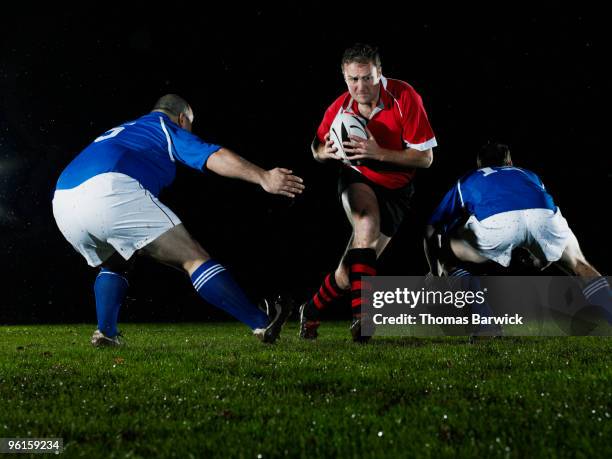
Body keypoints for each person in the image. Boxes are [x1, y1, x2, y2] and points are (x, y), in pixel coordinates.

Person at [52, 94, 305, 346]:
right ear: (183, 118)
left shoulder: (126, 129)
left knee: (115, 263)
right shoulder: (164, 126)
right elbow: (212, 155)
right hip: (107, 189)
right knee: (193, 257)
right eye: (190, 124)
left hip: (63, 202)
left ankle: (106, 332)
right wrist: (263, 177)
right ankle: (261, 323)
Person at [300, 43, 437, 341]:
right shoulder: (339, 107)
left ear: (379, 73)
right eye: (353, 79)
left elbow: (425, 158)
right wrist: (328, 152)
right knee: (366, 225)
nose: (360, 87)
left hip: (397, 189)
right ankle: (364, 321)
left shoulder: (404, 97)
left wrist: (379, 152)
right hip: (357, 177)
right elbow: (315, 148)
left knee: (350, 274)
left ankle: (310, 311)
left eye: (366, 78)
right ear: (344, 77)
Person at [424, 142, 611, 325]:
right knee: (577, 262)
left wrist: (436, 272)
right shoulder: (528, 175)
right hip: (544, 217)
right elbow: (530, 218)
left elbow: (431, 229)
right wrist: (542, 259)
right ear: (510, 162)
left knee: (447, 256)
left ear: (479, 164)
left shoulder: (469, 178)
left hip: (497, 224)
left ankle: (485, 325)